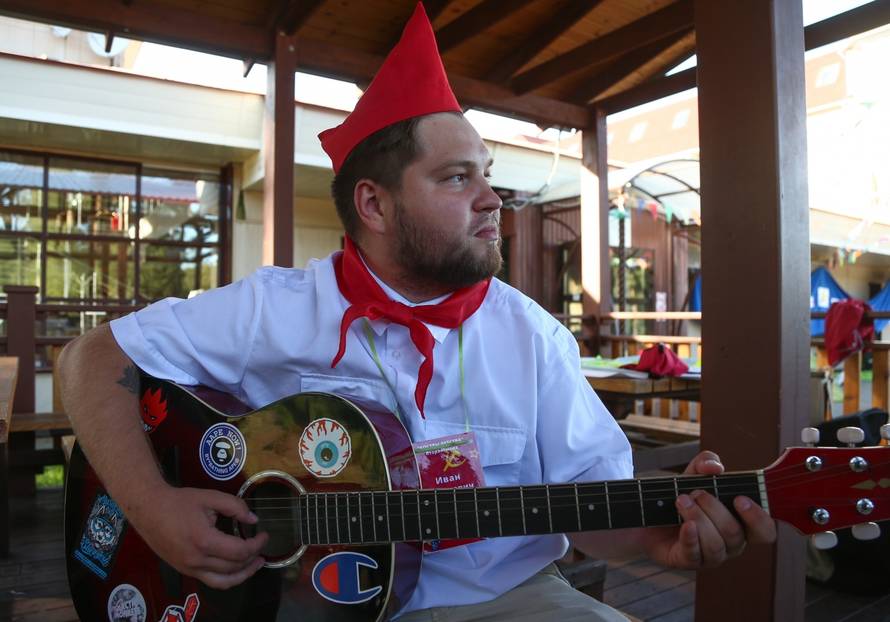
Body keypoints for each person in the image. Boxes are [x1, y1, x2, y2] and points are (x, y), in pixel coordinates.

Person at [58, 4, 776, 620]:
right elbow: (89, 359)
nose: (493, 199)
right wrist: (153, 509)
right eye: (458, 178)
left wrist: (664, 538)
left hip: (502, 601)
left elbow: (597, 503)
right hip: (292, 603)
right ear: (374, 204)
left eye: (487, 176)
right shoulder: (275, 308)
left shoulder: (533, 338)